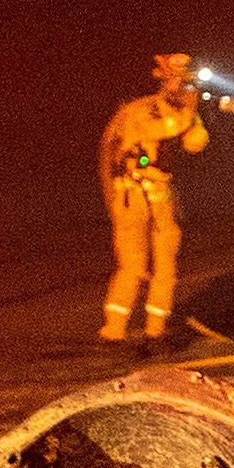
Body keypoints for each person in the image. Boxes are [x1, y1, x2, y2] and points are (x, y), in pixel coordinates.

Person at [97, 50, 212, 343]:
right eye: (175, 80)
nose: (180, 87)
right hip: (132, 196)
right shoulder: (140, 109)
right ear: (163, 80)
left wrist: (195, 117)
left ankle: (155, 328)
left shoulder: (182, 113)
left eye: (185, 82)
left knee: (166, 265)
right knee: (133, 265)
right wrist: (187, 113)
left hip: (162, 198)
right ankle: (114, 327)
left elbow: (196, 144)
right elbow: (161, 129)